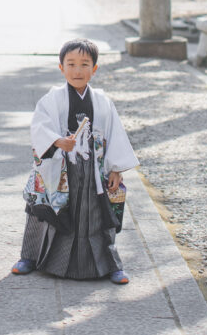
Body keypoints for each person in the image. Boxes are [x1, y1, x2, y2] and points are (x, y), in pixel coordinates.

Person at [11, 38, 138, 284]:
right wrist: (58, 141)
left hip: (93, 169)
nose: (77, 70)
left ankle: (111, 264)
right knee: (45, 209)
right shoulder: (52, 99)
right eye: (71, 64)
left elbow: (115, 135)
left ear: (94, 69)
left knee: (97, 215)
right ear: (61, 68)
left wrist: (116, 169)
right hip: (58, 166)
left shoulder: (102, 101)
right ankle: (30, 257)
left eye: (84, 64)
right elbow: (39, 128)